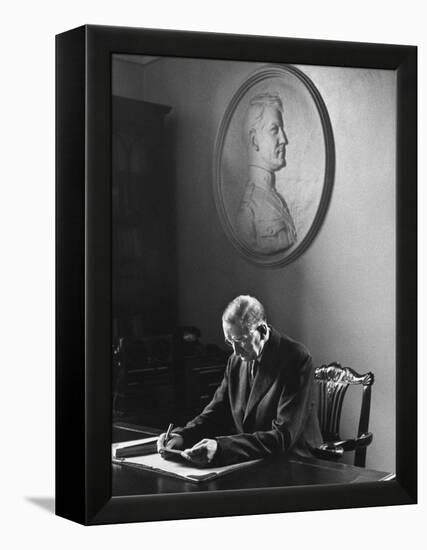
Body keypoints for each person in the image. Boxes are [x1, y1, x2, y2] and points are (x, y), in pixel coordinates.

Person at [157, 295, 322, 466]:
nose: (235, 351)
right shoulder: (235, 361)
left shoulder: (295, 358)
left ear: (263, 331)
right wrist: (183, 436)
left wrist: (221, 448)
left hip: (295, 463)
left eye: (241, 341)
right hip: (253, 460)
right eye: (230, 342)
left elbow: (283, 436)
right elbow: (216, 413)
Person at [236, 93, 297, 255]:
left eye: (282, 130)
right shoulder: (249, 211)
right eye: (274, 130)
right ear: (255, 140)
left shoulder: (276, 198)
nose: (284, 139)